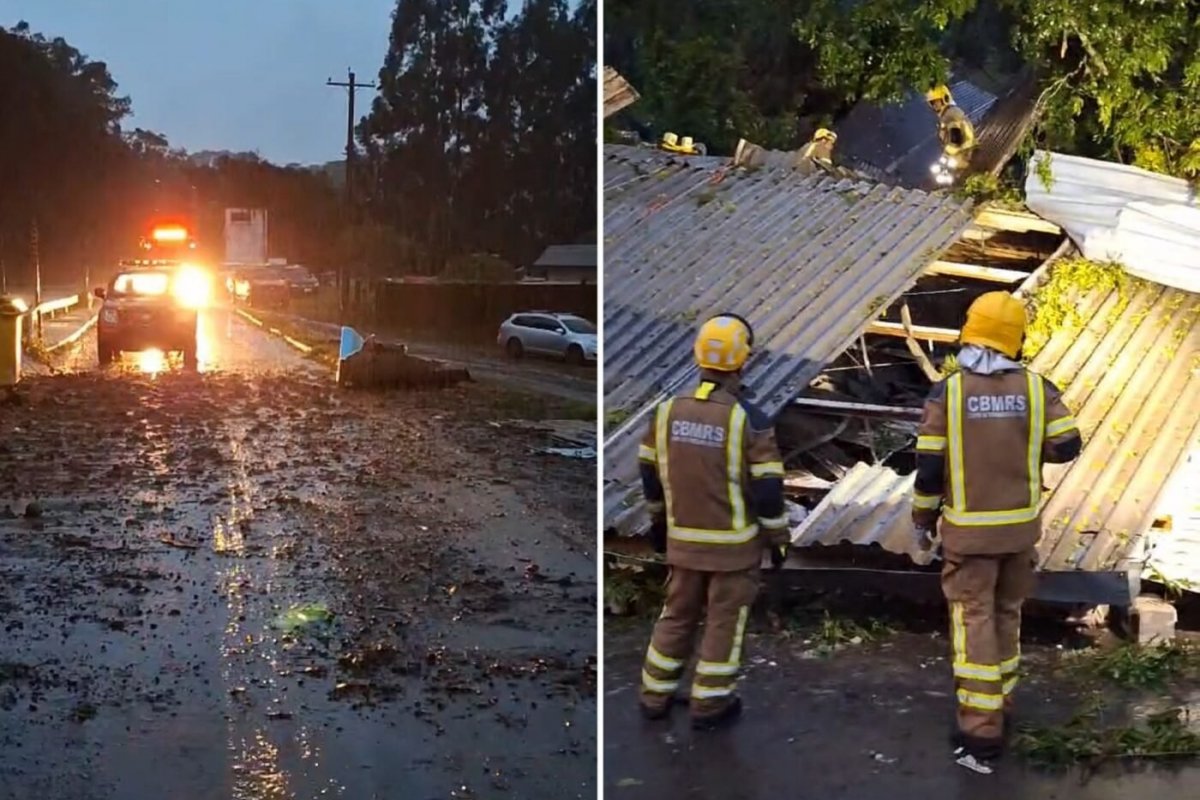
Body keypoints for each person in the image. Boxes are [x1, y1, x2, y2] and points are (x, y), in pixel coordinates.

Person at [912, 291, 1082, 773]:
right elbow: (1068, 445)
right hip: (1019, 532)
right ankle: (1002, 705)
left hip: (969, 537)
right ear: (1016, 339)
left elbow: (928, 470)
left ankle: (980, 731)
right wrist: (1021, 443)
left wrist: (923, 521)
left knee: (974, 624)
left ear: (969, 333)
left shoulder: (947, 393)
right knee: (1007, 614)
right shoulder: (1037, 388)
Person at [637, 313, 790, 729]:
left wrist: (658, 526)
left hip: (682, 545)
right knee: (724, 624)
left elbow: (650, 474)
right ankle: (710, 707)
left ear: (698, 356)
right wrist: (779, 539)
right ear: (743, 361)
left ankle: (654, 696)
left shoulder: (666, 412)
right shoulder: (749, 419)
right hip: (733, 552)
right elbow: (768, 492)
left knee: (675, 616)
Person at [926, 85, 976, 168]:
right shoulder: (947, 114)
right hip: (960, 155)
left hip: (964, 155)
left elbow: (955, 138)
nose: (934, 105)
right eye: (932, 103)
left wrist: (946, 154)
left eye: (936, 101)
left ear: (945, 98)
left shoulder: (950, 113)